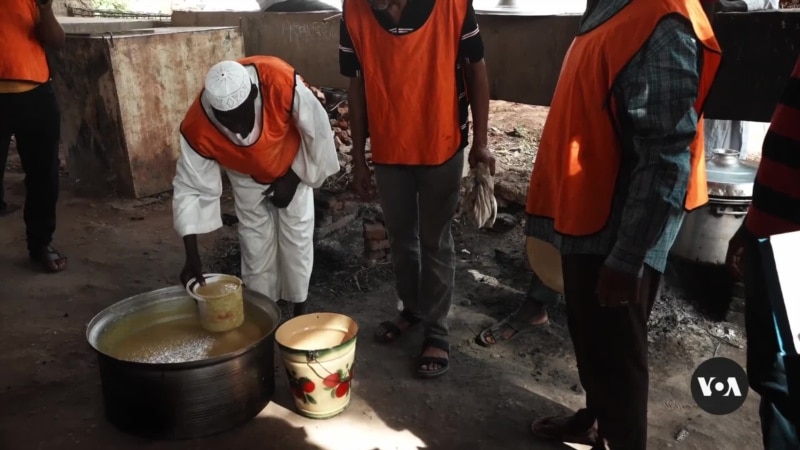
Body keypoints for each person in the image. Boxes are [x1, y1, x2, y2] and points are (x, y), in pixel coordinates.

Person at [524, 0, 721, 448]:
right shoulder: (612, 9)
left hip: (618, 229)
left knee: (617, 358)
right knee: (594, 340)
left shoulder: (661, 22)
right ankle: (596, 419)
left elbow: (665, 160)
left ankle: (620, 436)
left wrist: (628, 259)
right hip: (589, 213)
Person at [340, 0, 494, 378]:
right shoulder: (354, 10)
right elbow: (356, 84)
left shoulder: (453, 6)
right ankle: (412, 310)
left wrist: (482, 141)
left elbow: (476, 69)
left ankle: (437, 333)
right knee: (401, 238)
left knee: (435, 241)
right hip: (391, 149)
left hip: (441, 144)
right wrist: (359, 157)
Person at [173, 57, 339, 318]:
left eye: (242, 118)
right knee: (254, 243)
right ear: (214, 111)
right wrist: (191, 257)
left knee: (296, 237)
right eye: (227, 122)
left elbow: (317, 133)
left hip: (292, 163)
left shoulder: (280, 82)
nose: (238, 130)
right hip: (244, 174)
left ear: (253, 94)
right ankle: (264, 312)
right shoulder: (197, 126)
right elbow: (190, 188)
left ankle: (299, 311)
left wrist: (293, 179)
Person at [727, 55, 800, 450]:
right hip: (771, 240)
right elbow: (785, 152)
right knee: (774, 379)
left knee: (784, 382)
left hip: (791, 255)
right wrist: (751, 224)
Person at [0, 0, 66, 272]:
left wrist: (46, 8)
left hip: (36, 94)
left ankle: (40, 244)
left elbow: (56, 40)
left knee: (44, 176)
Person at [703, 0, 780, 161]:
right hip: (701, 47)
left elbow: (769, 2)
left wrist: (736, 5)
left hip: (736, 56)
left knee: (726, 150)